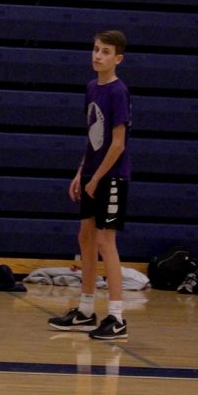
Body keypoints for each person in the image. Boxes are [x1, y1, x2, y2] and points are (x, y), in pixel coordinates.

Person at [49, 30, 131, 340]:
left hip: (112, 177)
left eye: (105, 51)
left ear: (117, 58)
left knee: (104, 243)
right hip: (92, 174)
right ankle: (85, 310)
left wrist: (97, 178)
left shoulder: (117, 92)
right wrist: (82, 172)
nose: (98, 55)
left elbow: (118, 143)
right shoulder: (91, 88)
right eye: (96, 49)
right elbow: (93, 136)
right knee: (85, 238)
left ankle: (117, 317)